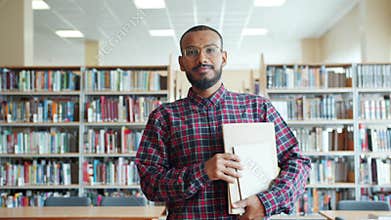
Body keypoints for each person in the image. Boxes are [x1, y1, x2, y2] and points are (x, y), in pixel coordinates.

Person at [136, 25, 311, 219]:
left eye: (210, 50)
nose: (202, 58)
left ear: (224, 58)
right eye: (192, 52)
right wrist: (202, 172)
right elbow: (150, 183)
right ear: (182, 62)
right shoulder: (163, 117)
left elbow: (298, 162)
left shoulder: (258, 108)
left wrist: (267, 202)